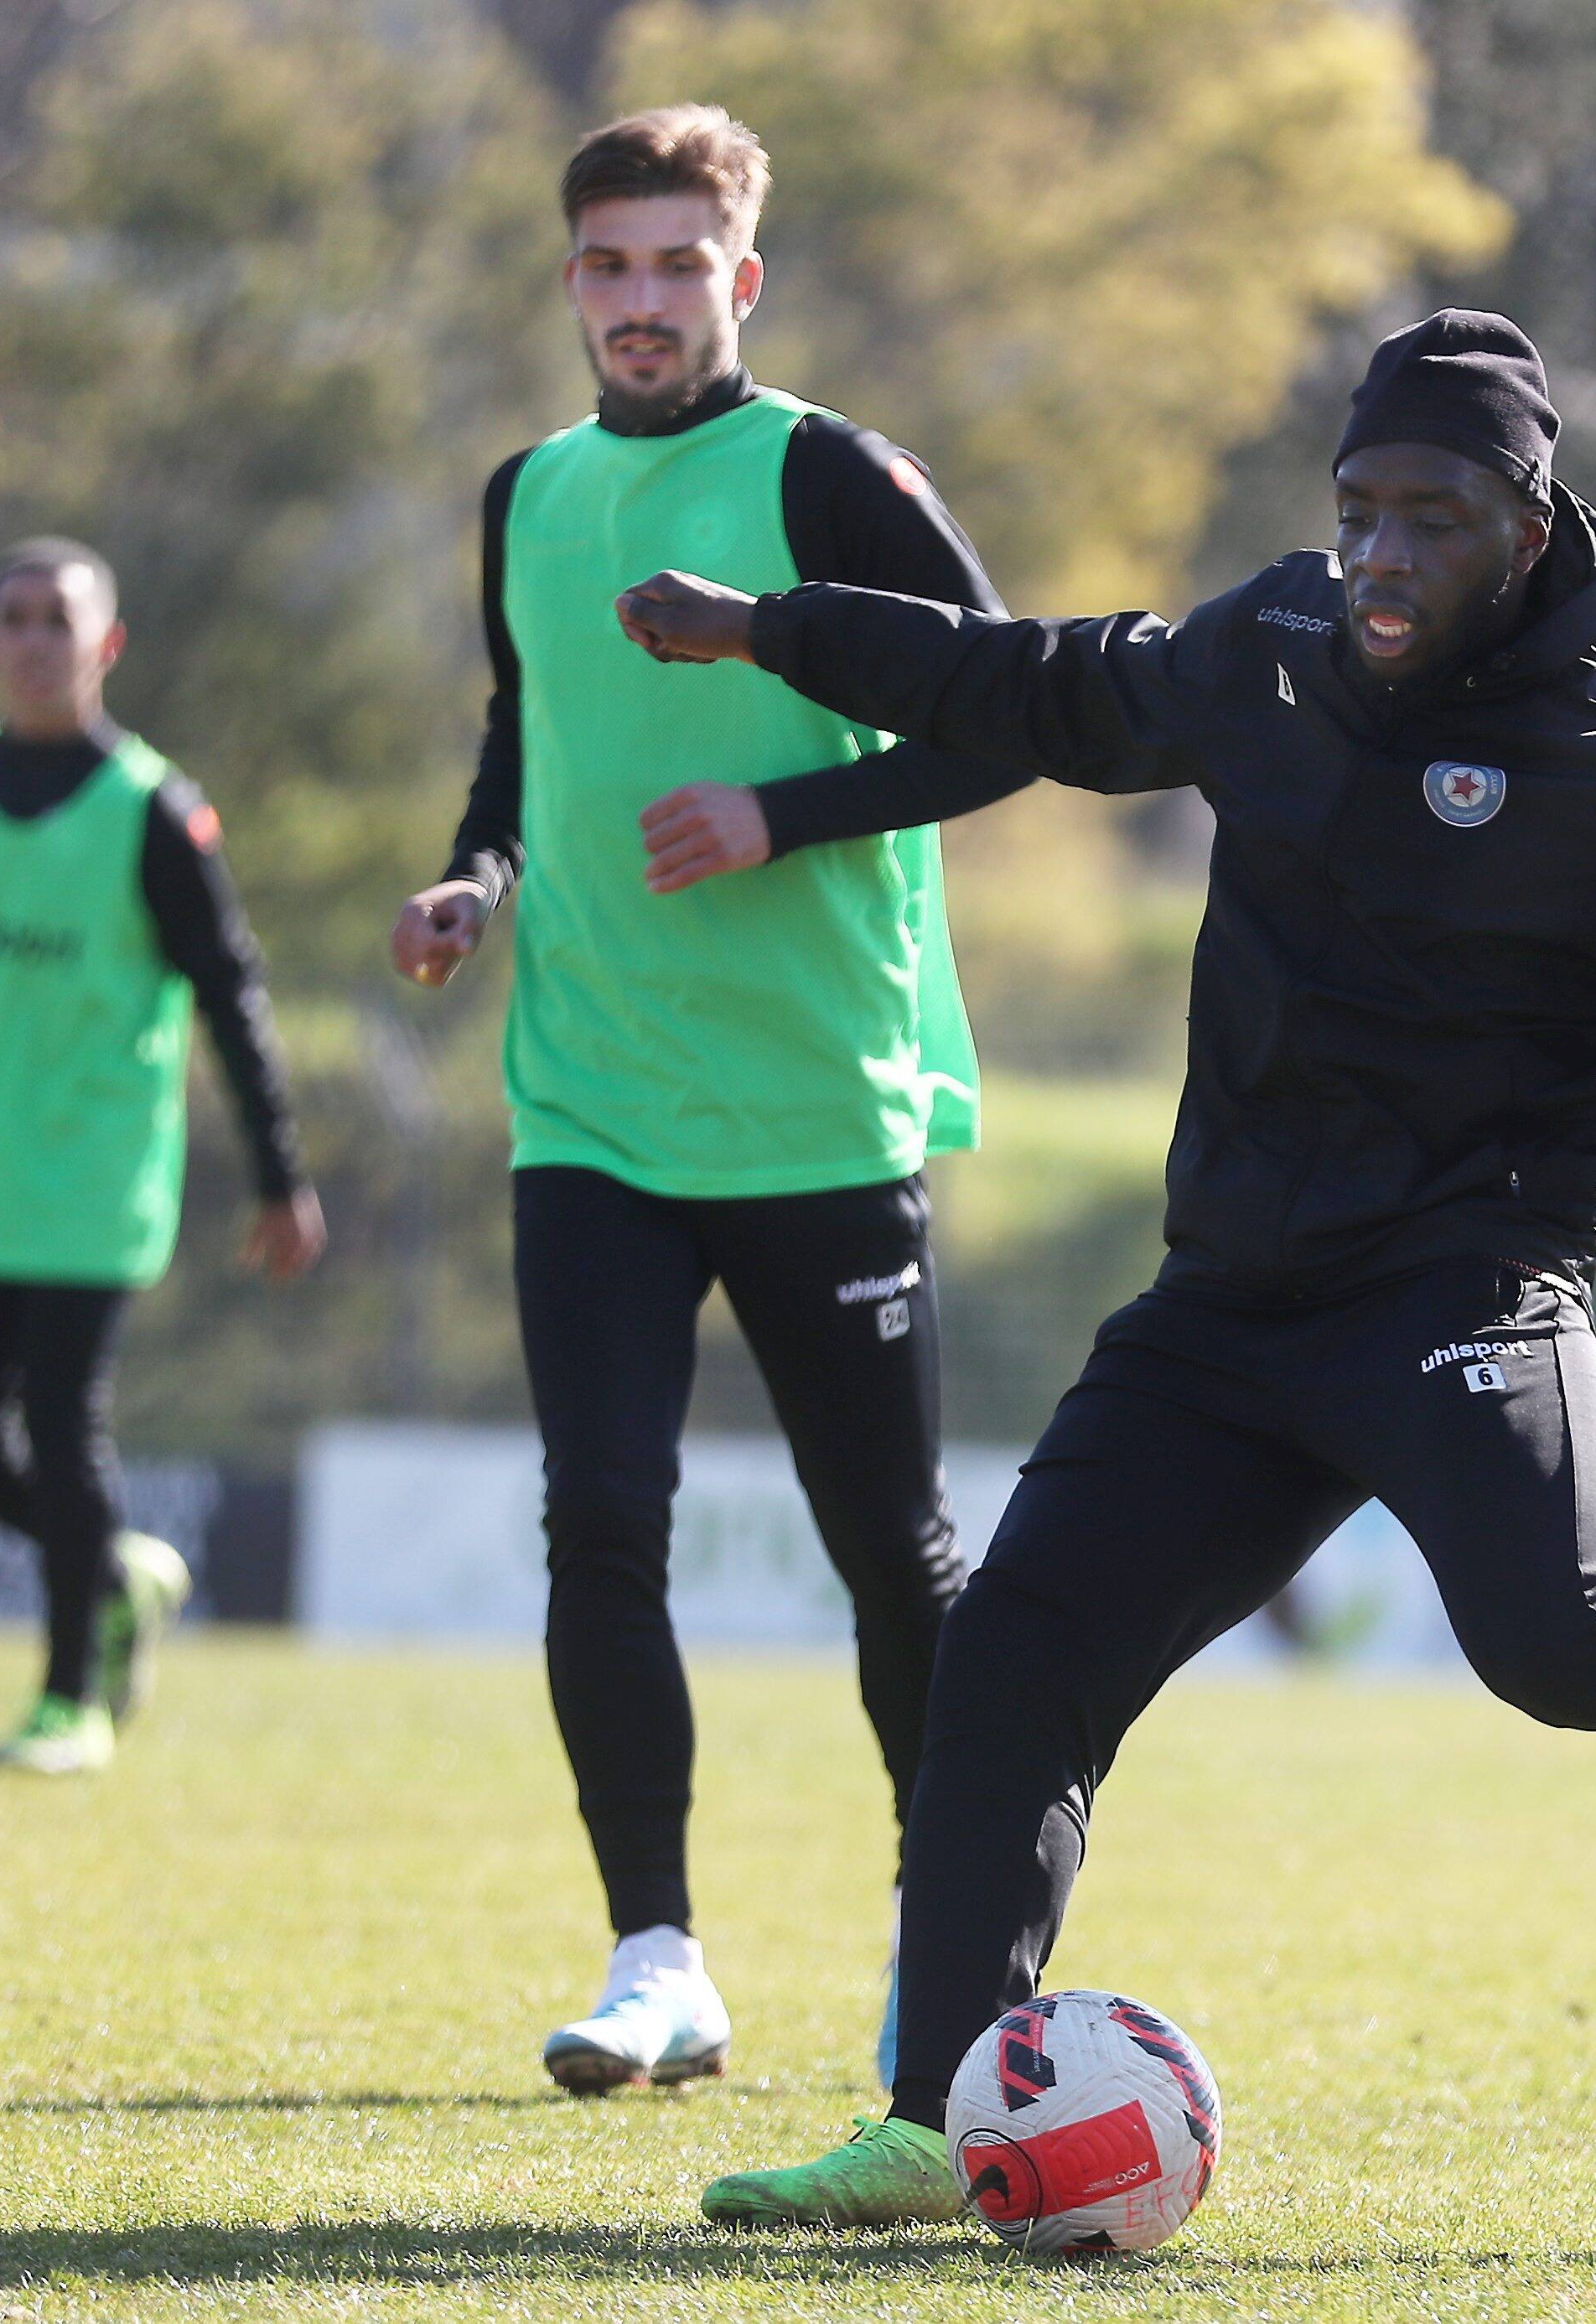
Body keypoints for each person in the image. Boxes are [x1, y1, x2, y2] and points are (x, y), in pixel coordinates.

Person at [609, 309, 1596, 2228]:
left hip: (1456, 1299)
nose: (1384, 556)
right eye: (1362, 509)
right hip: (1222, 1306)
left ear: (1528, 531)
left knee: (1562, 1645)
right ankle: (931, 2118)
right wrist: (767, 627)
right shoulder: (1268, 653)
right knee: (1009, 1663)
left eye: (1435, 520)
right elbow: (1037, 687)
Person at [384, 105, 1029, 2096]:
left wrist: (778, 811)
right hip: (586, 1104)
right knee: (601, 1525)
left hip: (816, 1110)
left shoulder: (827, 478)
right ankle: (655, 1959)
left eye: (677, 266)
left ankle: (955, 1969)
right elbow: (529, 728)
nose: (639, 302)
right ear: (569, 283)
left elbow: (1006, 712)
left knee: (888, 1549)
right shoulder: (527, 493)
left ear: (739, 280)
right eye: (606, 267)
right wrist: (479, 877)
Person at [0, 537, 325, 1776]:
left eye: (61, 619)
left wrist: (279, 1173)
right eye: (14, 617)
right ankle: (114, 1568)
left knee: (60, 1416)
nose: (36, 639)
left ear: (106, 647)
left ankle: (71, 1703)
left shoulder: (153, 810)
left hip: (92, 1177)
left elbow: (232, 994)